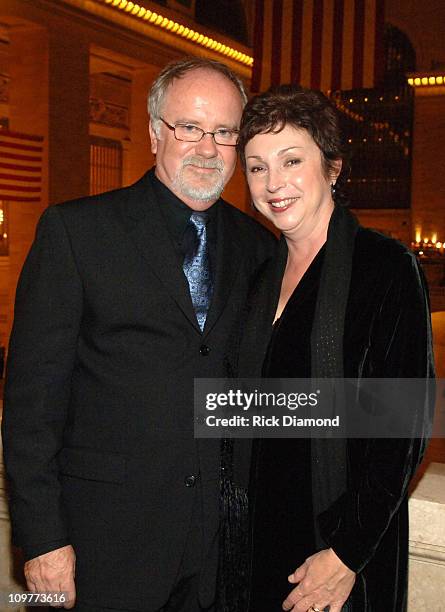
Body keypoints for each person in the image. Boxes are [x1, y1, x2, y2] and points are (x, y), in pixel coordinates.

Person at [2, 57, 275, 611]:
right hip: (97, 549)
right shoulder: (76, 233)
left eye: (224, 132)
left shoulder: (259, 248)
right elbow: (32, 405)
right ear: (154, 133)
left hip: (219, 557)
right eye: (190, 128)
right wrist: (41, 540)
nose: (207, 147)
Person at [229, 84, 434, 612]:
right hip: (252, 548)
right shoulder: (257, 279)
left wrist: (346, 554)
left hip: (335, 556)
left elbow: (402, 430)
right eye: (256, 167)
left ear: (333, 167)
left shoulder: (384, 268)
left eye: (291, 160)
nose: (273, 183)